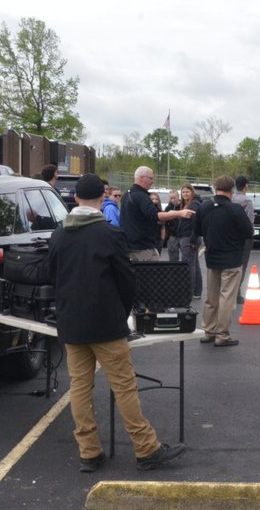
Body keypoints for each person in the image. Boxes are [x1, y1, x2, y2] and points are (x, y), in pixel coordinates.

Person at [46, 173, 186, 473]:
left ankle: (89, 451)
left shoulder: (58, 235)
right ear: (103, 198)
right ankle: (145, 448)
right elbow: (127, 281)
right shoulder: (109, 235)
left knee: (80, 388)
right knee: (124, 387)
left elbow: (52, 276)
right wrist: (124, 313)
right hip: (106, 323)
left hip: (71, 322)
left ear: (75, 198)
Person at [194, 175, 253, 346]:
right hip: (232, 259)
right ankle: (222, 335)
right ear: (231, 189)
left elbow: (196, 230)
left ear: (215, 187)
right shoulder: (234, 209)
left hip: (212, 258)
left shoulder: (204, 207)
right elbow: (248, 232)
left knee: (211, 298)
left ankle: (208, 331)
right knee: (227, 298)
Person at [120, 166, 192, 262]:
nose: (153, 181)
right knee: (148, 276)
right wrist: (179, 213)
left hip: (130, 246)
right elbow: (155, 215)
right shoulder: (141, 196)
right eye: (151, 178)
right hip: (142, 249)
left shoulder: (127, 195)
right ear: (141, 178)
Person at [231, 176, 256, 303]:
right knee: (242, 266)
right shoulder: (247, 201)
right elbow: (250, 222)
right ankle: (236, 293)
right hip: (244, 238)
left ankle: (228, 292)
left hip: (229, 237)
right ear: (246, 186)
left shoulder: (231, 199)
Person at [176, 185, 204, 298]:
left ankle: (189, 292)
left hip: (189, 237)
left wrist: (192, 240)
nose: (185, 194)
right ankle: (196, 292)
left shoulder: (193, 205)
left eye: (187, 192)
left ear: (192, 192)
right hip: (187, 237)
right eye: (183, 192)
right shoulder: (186, 204)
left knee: (189, 265)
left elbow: (195, 224)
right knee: (194, 264)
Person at [165, 190, 183, 261]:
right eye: (171, 198)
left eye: (174, 198)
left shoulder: (183, 206)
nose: (172, 200)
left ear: (178, 197)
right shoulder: (168, 208)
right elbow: (166, 222)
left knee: (186, 255)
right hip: (172, 234)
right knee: (173, 254)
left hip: (183, 234)